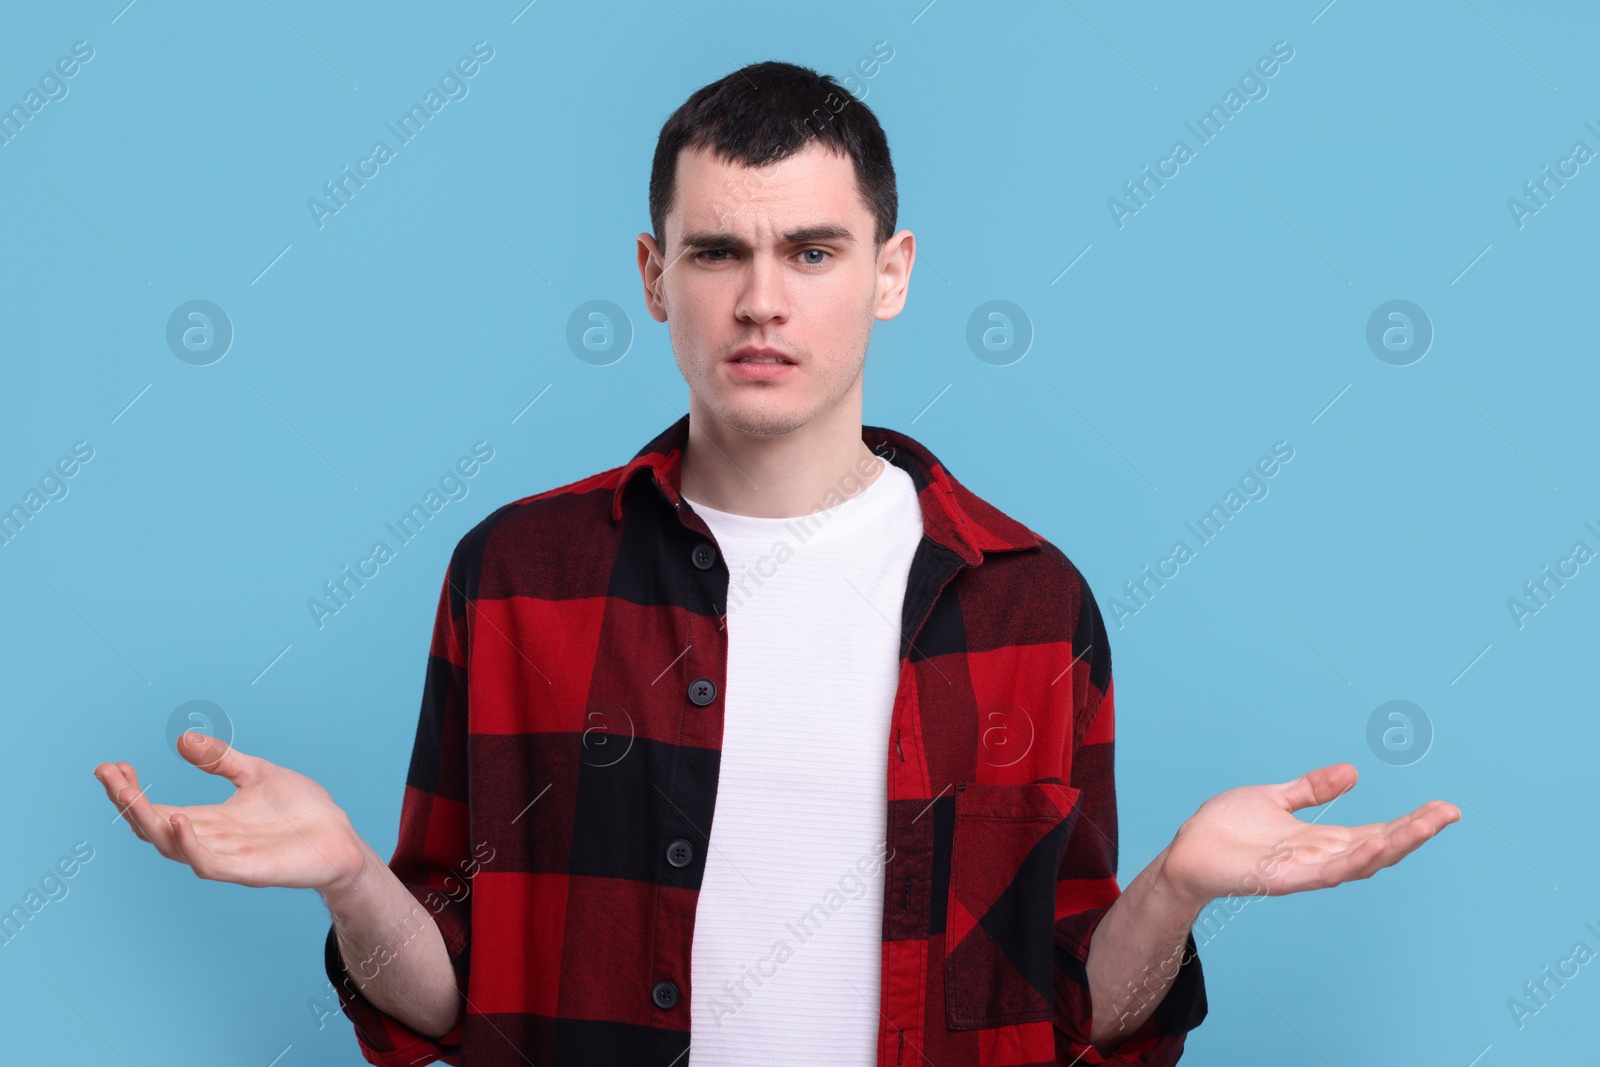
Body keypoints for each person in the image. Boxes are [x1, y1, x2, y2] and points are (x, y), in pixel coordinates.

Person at [92, 60, 1460, 1067]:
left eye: (812, 249)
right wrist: (347, 877)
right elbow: (452, 1003)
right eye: (717, 252)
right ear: (651, 273)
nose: (761, 298)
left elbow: (1069, 1017)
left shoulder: (1031, 605)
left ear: (892, 269)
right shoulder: (517, 576)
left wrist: (1176, 890)